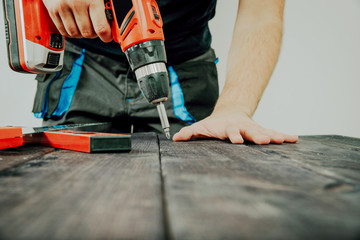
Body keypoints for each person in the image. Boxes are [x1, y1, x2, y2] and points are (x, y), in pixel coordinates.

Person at [34, 0, 298, 144]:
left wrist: (234, 108)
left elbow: (261, 10)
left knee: (193, 179)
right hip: (81, 63)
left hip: (182, 67)